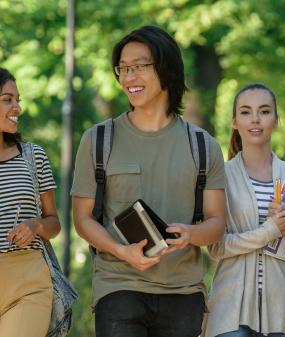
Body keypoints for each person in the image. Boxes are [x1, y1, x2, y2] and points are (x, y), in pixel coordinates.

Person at [71, 26, 226, 337]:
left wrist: (191, 234)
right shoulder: (98, 140)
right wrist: (120, 250)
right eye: (123, 69)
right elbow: (83, 219)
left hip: (184, 293)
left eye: (139, 67)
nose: (129, 77)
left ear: (166, 69)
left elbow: (217, 222)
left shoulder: (203, 145)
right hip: (118, 287)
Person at [205, 83, 285, 337]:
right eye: (246, 112)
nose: (255, 119)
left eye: (265, 111)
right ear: (235, 121)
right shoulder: (220, 177)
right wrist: (270, 230)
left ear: (276, 120)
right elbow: (216, 247)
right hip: (230, 310)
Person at [0, 67, 62, 336]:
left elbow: (54, 223)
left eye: (17, 99)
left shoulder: (32, 156)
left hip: (28, 282)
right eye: (7, 99)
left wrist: (36, 225)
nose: (17, 107)